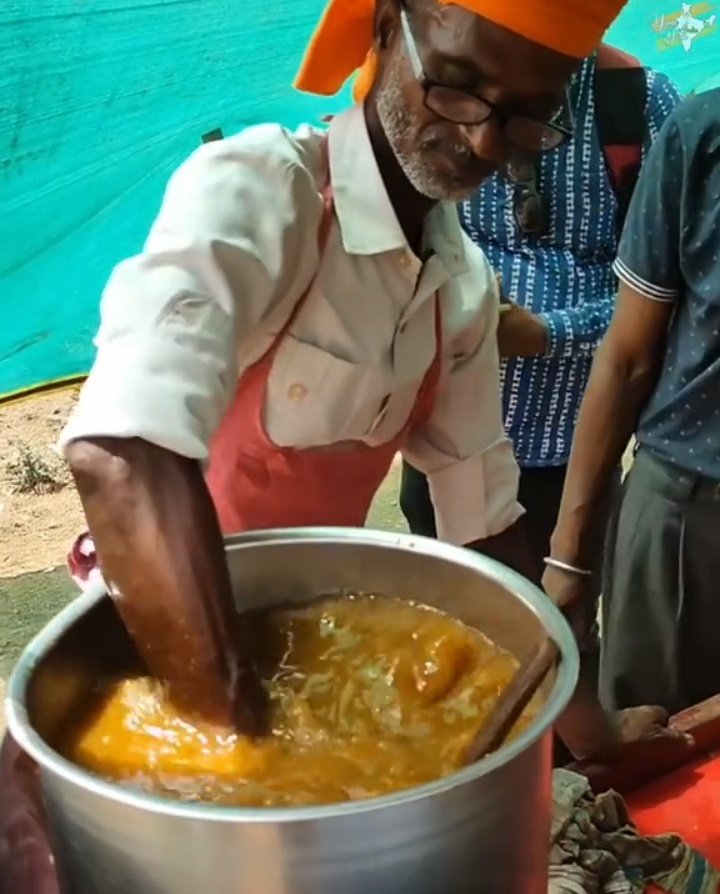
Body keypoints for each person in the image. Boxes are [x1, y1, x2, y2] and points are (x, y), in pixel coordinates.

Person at [1, 1, 692, 889]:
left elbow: (483, 528)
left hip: (312, 650)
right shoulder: (256, 192)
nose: (485, 143)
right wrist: (237, 748)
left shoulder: (459, 289)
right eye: (456, 87)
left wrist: (583, 721)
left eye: (526, 114)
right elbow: (122, 452)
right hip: (156, 660)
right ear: (386, 27)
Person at [399, 48, 681, 594]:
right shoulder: (440, 94)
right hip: (441, 440)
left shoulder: (638, 105)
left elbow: (667, 298)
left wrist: (549, 333)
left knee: (558, 631)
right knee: (438, 614)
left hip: (570, 455)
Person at [543, 90, 720, 717]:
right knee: (652, 756)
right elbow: (626, 357)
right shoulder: (702, 135)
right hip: (690, 512)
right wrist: (569, 558)